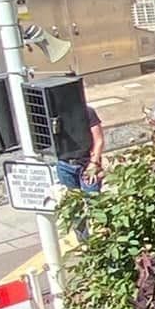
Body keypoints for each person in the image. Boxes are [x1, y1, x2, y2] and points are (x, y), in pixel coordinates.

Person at [56, 102, 105, 238]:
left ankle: (101, 240)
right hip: (65, 165)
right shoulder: (55, 115)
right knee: (74, 208)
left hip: (87, 164)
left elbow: (99, 140)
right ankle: (84, 242)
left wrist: (93, 163)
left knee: (94, 204)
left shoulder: (87, 112)